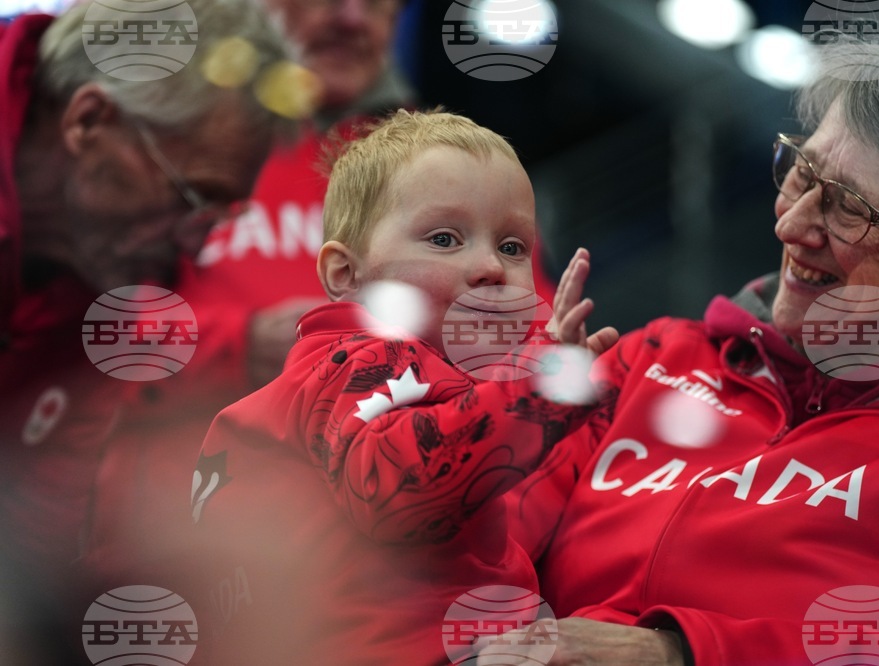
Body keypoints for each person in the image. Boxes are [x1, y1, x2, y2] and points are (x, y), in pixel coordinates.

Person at [485, 27, 879, 666]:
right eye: (800, 174)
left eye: (849, 209)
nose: (789, 224)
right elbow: (478, 540)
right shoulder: (653, 357)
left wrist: (675, 656)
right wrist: (504, 418)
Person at [188, 109, 617, 665]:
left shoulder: (440, 379)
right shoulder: (361, 362)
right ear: (345, 274)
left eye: (513, 247)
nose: (490, 266)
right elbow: (394, 488)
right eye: (444, 238)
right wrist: (540, 392)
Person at [0, 0, 293, 581]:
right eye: (192, 199)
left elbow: (35, 538)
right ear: (87, 122)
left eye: (220, 213)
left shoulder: (105, 278)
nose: (196, 247)